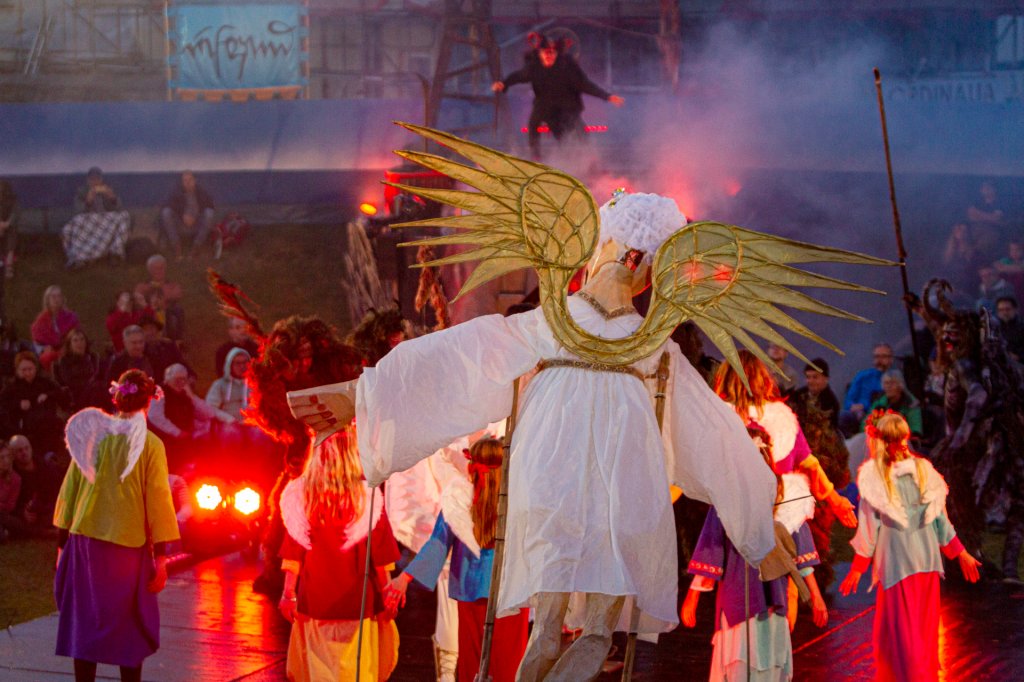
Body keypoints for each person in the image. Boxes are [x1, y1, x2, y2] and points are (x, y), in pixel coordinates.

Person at [291, 192, 780, 680]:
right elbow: (717, 435)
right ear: (652, 271)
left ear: (603, 248)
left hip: (554, 489)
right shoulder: (645, 345)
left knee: (549, 631)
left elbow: (459, 360)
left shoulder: (561, 325)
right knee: (593, 634)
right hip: (618, 499)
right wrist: (760, 527)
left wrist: (364, 395)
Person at [53, 369, 179, 682]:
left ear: (116, 399)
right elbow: (158, 499)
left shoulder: (94, 435)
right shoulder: (150, 444)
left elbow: (70, 488)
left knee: (86, 620)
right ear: (149, 403)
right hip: (126, 549)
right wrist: (162, 555)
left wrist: (61, 542)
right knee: (129, 625)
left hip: (85, 542)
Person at [840, 412, 981, 682]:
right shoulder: (919, 471)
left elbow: (869, 528)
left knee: (903, 638)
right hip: (924, 565)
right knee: (919, 635)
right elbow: (941, 521)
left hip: (900, 566)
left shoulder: (880, 477)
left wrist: (858, 568)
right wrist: (960, 552)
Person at [681, 424, 828, 681]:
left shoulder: (787, 497)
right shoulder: (728, 498)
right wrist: (693, 596)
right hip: (738, 595)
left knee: (768, 662)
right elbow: (712, 549)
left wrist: (815, 596)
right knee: (739, 662)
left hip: (773, 597)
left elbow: (800, 553)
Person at [385, 437, 528, 682]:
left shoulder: (459, 500)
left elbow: (438, 543)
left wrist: (404, 578)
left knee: (473, 660)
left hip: (471, 591)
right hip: (511, 592)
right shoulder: (518, 500)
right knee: (509, 663)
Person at [277, 428, 401, 681]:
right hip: (359, 604)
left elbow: (294, 555)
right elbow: (381, 558)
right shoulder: (368, 499)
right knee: (357, 670)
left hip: (315, 602)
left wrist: (288, 594)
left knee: (320, 670)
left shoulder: (303, 497)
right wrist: (388, 594)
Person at [714, 351, 857, 530]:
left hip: (731, 512)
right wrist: (836, 501)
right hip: (781, 513)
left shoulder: (716, 418)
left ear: (725, 378)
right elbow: (810, 464)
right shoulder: (782, 419)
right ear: (761, 378)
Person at [491, 32, 624, 159]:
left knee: (578, 131)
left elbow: (585, 85)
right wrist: (504, 84)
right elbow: (518, 76)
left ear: (557, 54)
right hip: (545, 107)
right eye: (545, 53)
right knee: (534, 124)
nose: (549, 56)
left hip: (567, 106)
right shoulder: (534, 67)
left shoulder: (567, 67)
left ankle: (589, 159)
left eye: (552, 53)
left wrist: (607, 96)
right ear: (539, 54)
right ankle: (536, 157)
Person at [148, 363, 233, 473]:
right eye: (177, 379)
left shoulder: (186, 394)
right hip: (164, 442)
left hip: (184, 442)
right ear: (168, 379)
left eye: (184, 379)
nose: (181, 382)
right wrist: (177, 433)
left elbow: (209, 413)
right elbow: (155, 416)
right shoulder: (159, 392)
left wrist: (192, 396)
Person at [0, 351, 70, 460]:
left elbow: (61, 393)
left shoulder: (44, 382)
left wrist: (47, 395)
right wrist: (18, 405)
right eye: (24, 370)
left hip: (46, 421)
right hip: (23, 425)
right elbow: (4, 404)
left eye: (30, 369)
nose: (27, 373)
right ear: (17, 370)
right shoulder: (12, 387)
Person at [63, 167, 131, 269]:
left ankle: (115, 253)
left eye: (97, 179)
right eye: (92, 179)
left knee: (124, 216)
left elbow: (118, 209)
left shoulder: (107, 189)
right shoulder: (82, 191)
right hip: (88, 221)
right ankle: (80, 257)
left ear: (101, 179)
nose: (95, 182)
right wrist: (88, 201)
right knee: (75, 223)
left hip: (105, 221)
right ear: (88, 180)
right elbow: (78, 211)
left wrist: (112, 198)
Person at [840, 343, 895, 437]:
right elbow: (848, 401)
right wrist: (853, 407)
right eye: (877, 357)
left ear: (891, 359)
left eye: (883, 357)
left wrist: (865, 406)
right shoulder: (863, 376)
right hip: (858, 417)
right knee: (843, 416)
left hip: (882, 417)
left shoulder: (895, 379)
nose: (879, 360)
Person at [160, 171, 215, 260]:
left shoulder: (201, 192)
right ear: (182, 182)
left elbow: (210, 205)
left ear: (194, 180)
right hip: (181, 224)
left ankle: (196, 247)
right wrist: (182, 215)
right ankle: (176, 247)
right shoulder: (176, 193)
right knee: (166, 212)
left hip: (196, 224)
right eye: (185, 180)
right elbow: (167, 205)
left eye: (190, 180)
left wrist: (195, 216)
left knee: (209, 213)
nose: (188, 183)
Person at [30, 285, 81, 369]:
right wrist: (44, 348)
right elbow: (37, 341)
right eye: (53, 297)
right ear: (47, 300)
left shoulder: (71, 317)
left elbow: (77, 334)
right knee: (47, 358)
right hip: (50, 353)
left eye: (59, 296)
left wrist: (67, 346)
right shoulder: (41, 320)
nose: (56, 299)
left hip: (69, 349)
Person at [53, 329, 99, 412]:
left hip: (93, 390)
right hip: (74, 394)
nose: (79, 343)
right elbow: (68, 380)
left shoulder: (93, 357)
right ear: (70, 344)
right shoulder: (65, 361)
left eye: (82, 339)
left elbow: (97, 374)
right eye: (75, 340)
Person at [868, 369, 923, 438]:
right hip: (878, 438)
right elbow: (867, 423)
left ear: (900, 385)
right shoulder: (879, 402)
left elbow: (915, 430)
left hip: (901, 440)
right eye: (886, 383)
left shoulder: (911, 403)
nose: (889, 386)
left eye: (892, 383)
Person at [0, 180, 19, 313]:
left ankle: (9, 264)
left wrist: (6, 224)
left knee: (12, 233)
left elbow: (15, 214)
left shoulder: (12, 200)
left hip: (8, 226)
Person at [0, 445, 23, 540]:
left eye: (8, 456)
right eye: (2, 458)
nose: (6, 461)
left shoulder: (15, 479)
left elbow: (10, 505)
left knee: (13, 522)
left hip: (4, 515)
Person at [993, 240, 1024, 304]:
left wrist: (1006, 268)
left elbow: (1021, 269)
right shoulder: (1005, 260)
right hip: (1006, 288)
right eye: (1012, 250)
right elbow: (996, 266)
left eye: (1017, 250)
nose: (1014, 252)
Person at [994, 295, 1024, 361]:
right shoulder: (994, 329)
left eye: (1007, 309)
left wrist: (1019, 356)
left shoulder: (1022, 328)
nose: (1004, 313)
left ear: (1015, 310)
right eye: (1001, 310)